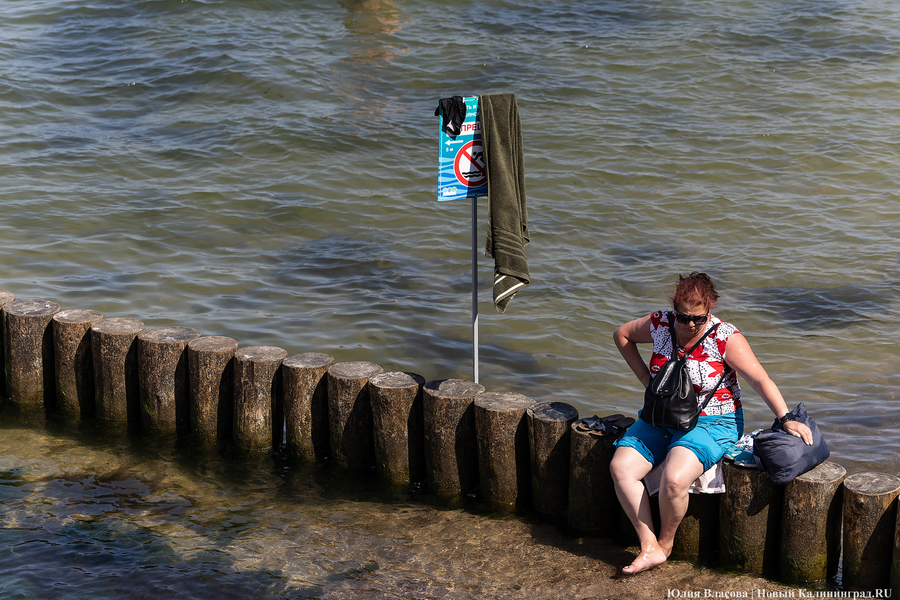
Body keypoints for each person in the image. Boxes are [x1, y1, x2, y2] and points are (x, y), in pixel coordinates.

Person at [609, 272, 812, 575]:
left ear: (710, 310)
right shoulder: (660, 323)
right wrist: (645, 379)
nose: (689, 324)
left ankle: (665, 545)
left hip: (714, 420)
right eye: (683, 317)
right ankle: (648, 543)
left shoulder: (724, 337)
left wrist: (785, 419)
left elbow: (759, 378)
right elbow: (621, 335)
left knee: (675, 479)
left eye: (697, 318)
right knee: (621, 468)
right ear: (674, 309)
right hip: (662, 415)